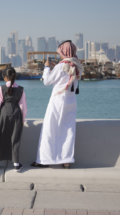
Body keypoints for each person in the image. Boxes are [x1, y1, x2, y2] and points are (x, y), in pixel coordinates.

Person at [31, 40, 83, 169]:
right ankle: (66, 160)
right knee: (68, 130)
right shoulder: (77, 65)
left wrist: (47, 67)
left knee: (49, 129)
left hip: (57, 100)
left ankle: (44, 160)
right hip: (71, 101)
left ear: (64, 52)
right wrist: (56, 66)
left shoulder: (60, 66)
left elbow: (47, 81)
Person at [0, 67, 27, 172]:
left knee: (0, 137)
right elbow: (23, 107)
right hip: (16, 114)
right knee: (15, 139)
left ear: (5, 77)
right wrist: (23, 120)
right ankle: (16, 164)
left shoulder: (1, 88)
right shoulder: (21, 89)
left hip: (4, 114)